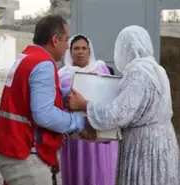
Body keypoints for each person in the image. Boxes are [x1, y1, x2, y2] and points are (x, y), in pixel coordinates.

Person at [68, 25, 180, 185]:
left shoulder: (137, 73)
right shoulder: (157, 69)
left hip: (144, 145)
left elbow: (119, 113)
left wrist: (85, 104)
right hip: (164, 140)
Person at [0, 15, 90, 185]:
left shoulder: (27, 56)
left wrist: (65, 95)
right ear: (54, 40)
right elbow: (44, 114)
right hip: (25, 156)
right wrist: (79, 123)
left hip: (11, 147)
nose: (68, 46)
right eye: (66, 40)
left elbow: (32, 94)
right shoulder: (43, 64)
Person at [58, 34, 118, 185]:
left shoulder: (102, 70)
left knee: (100, 170)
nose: (80, 52)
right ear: (70, 52)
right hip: (75, 134)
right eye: (76, 48)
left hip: (98, 132)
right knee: (78, 170)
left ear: (89, 51)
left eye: (84, 48)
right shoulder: (62, 75)